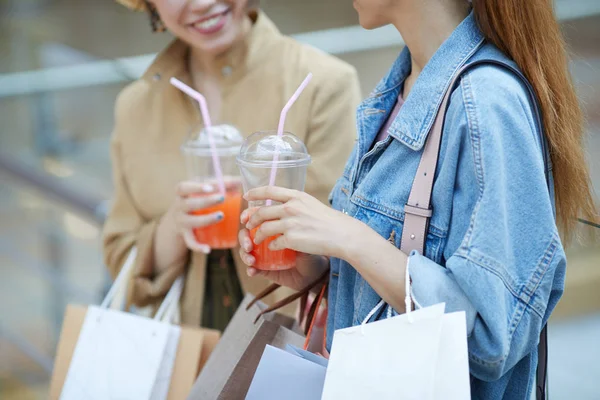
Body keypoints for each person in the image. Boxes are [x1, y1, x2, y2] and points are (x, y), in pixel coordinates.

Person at [239, 0, 597, 397]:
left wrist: (351, 238)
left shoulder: (486, 103)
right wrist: (319, 266)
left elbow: (493, 338)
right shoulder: (401, 88)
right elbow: (397, 258)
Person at [102, 0, 361, 331]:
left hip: (288, 345)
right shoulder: (135, 106)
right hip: (184, 355)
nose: (203, 3)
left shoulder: (321, 83)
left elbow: (347, 248)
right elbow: (120, 262)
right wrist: (173, 229)